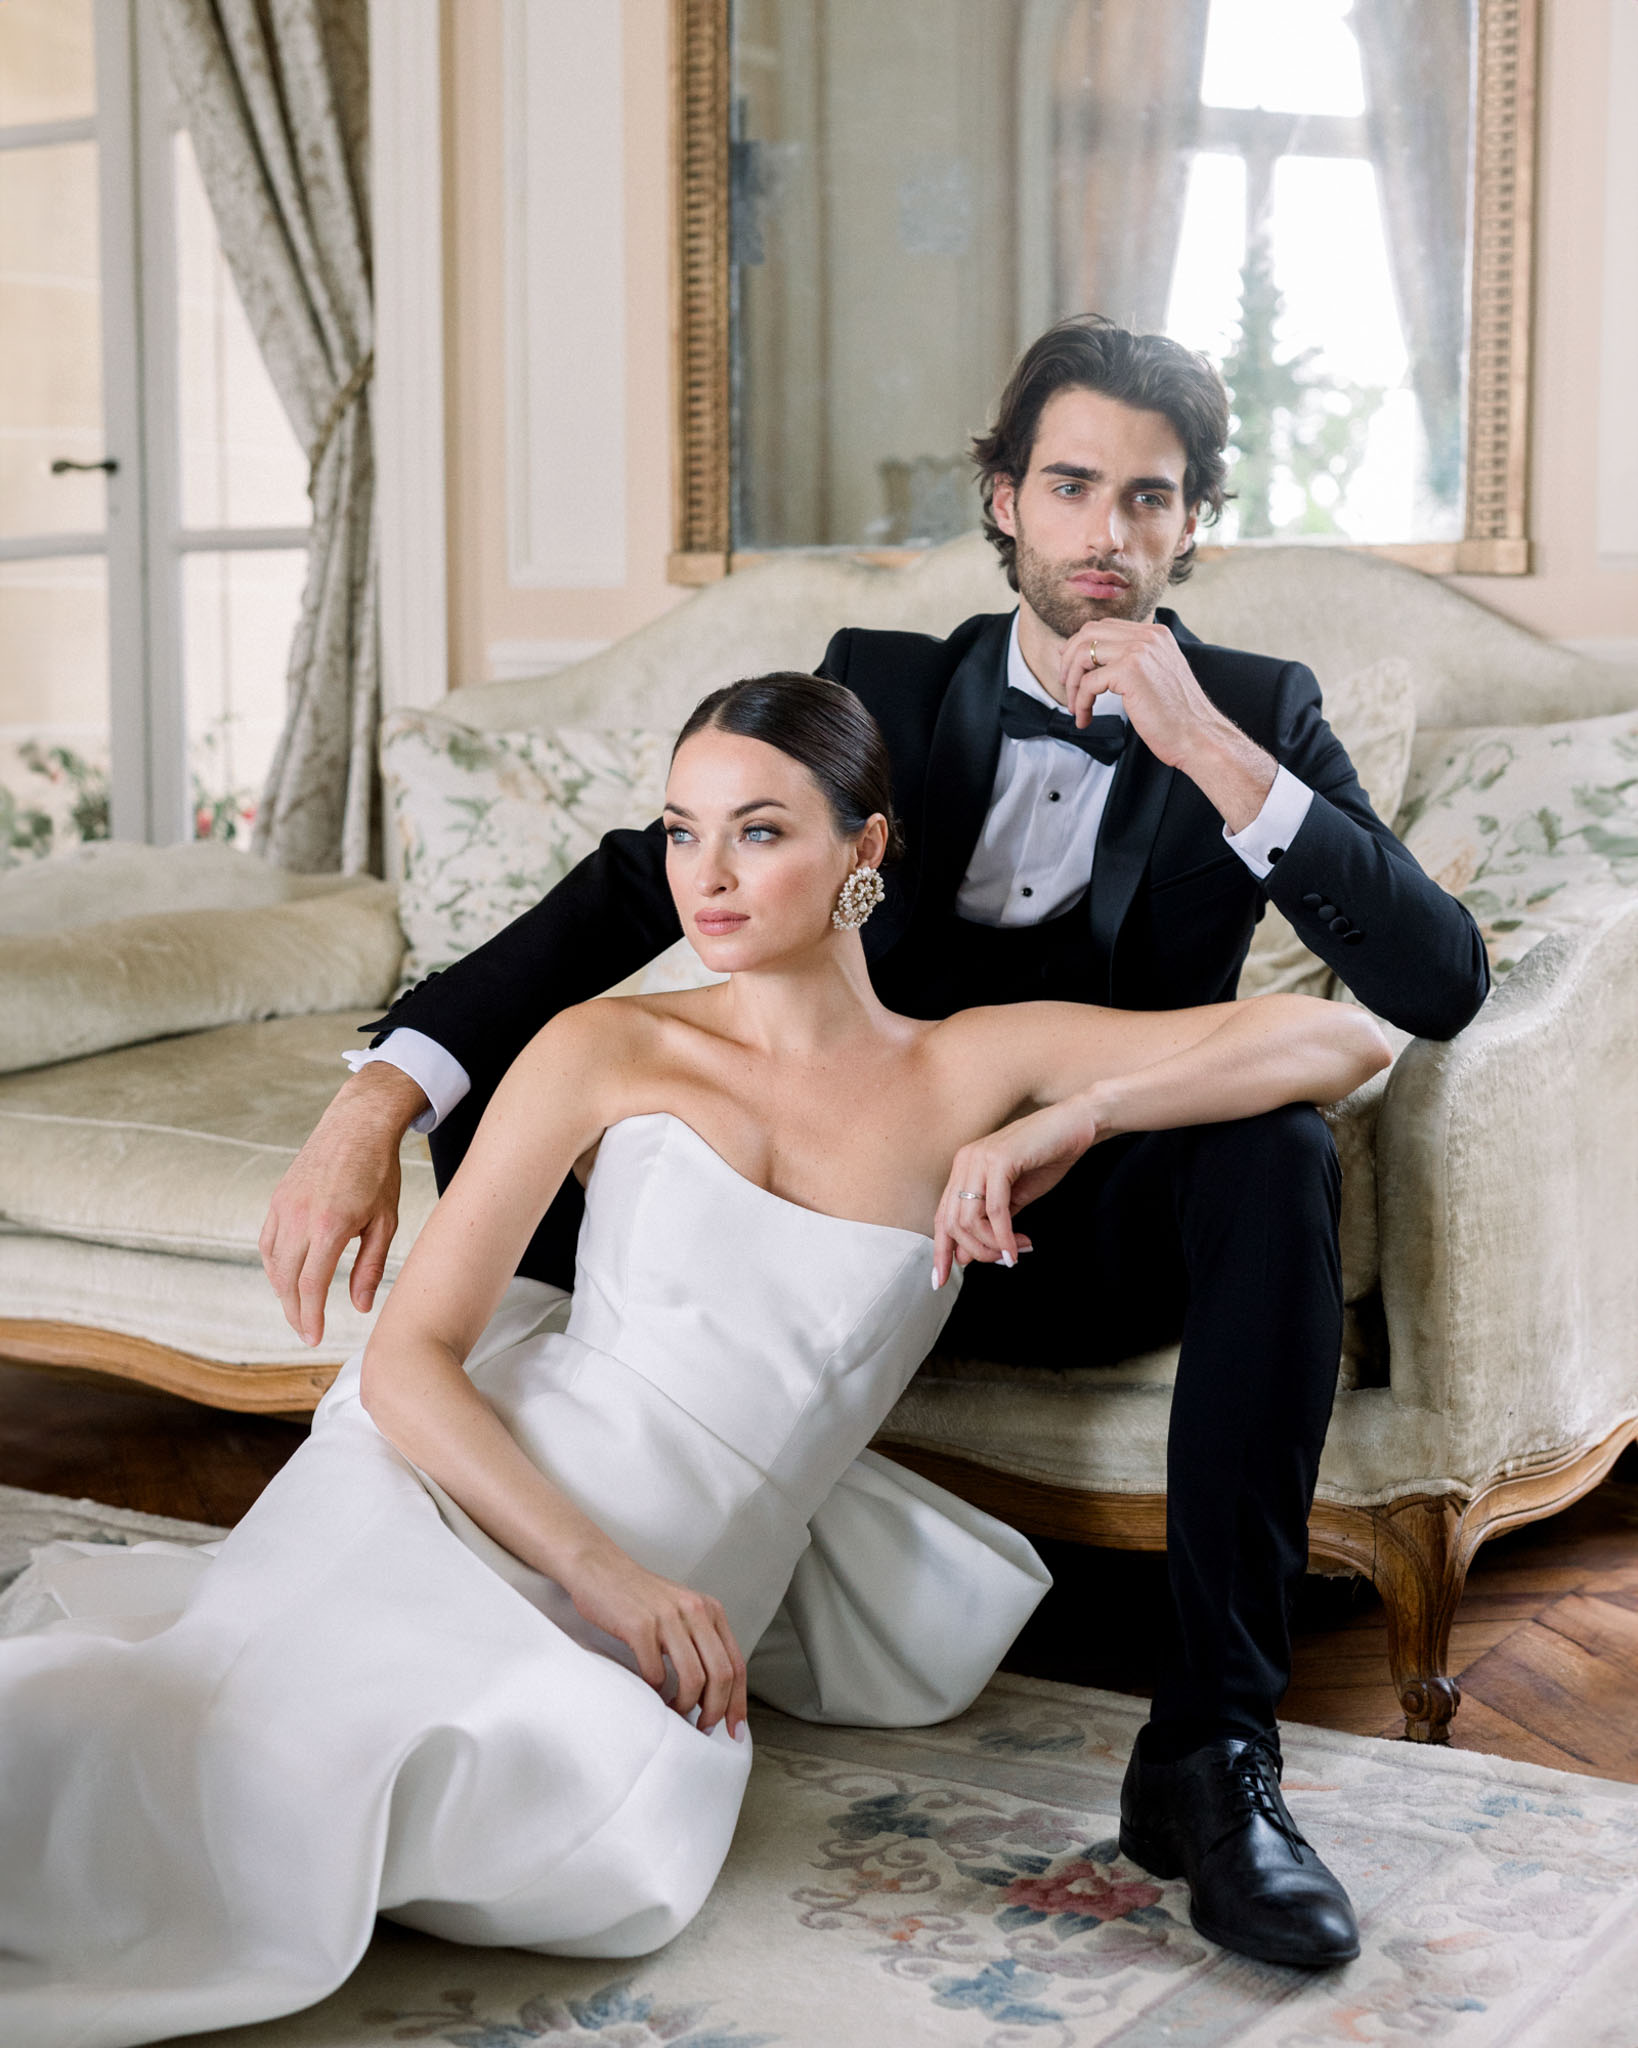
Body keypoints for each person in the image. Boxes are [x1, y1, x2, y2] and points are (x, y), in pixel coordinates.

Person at [262, 317, 1489, 1970]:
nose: (1106, 533)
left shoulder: (1258, 710)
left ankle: (1211, 1755)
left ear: (1193, 523)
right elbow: (646, 880)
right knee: (551, 1079)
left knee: (1274, 1153)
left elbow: (1431, 988)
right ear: (1004, 500)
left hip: (1072, 1222)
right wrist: (378, 1095)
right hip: (829, 1201)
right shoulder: (889, 687)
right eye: (1071, 486)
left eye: (1148, 498)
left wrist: (1199, 762)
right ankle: (568, 1461)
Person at [0, 678, 1387, 2043]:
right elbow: (409, 1361)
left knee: (546, 1827)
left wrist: (1076, 1116)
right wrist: (608, 1576)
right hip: (462, 1489)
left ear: (864, 848)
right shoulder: (604, 1045)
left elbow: (1342, 1033)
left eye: (758, 832)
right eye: (680, 832)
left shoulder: (969, 1067)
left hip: (701, 1559)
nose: (704, 878)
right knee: (223, 1749)